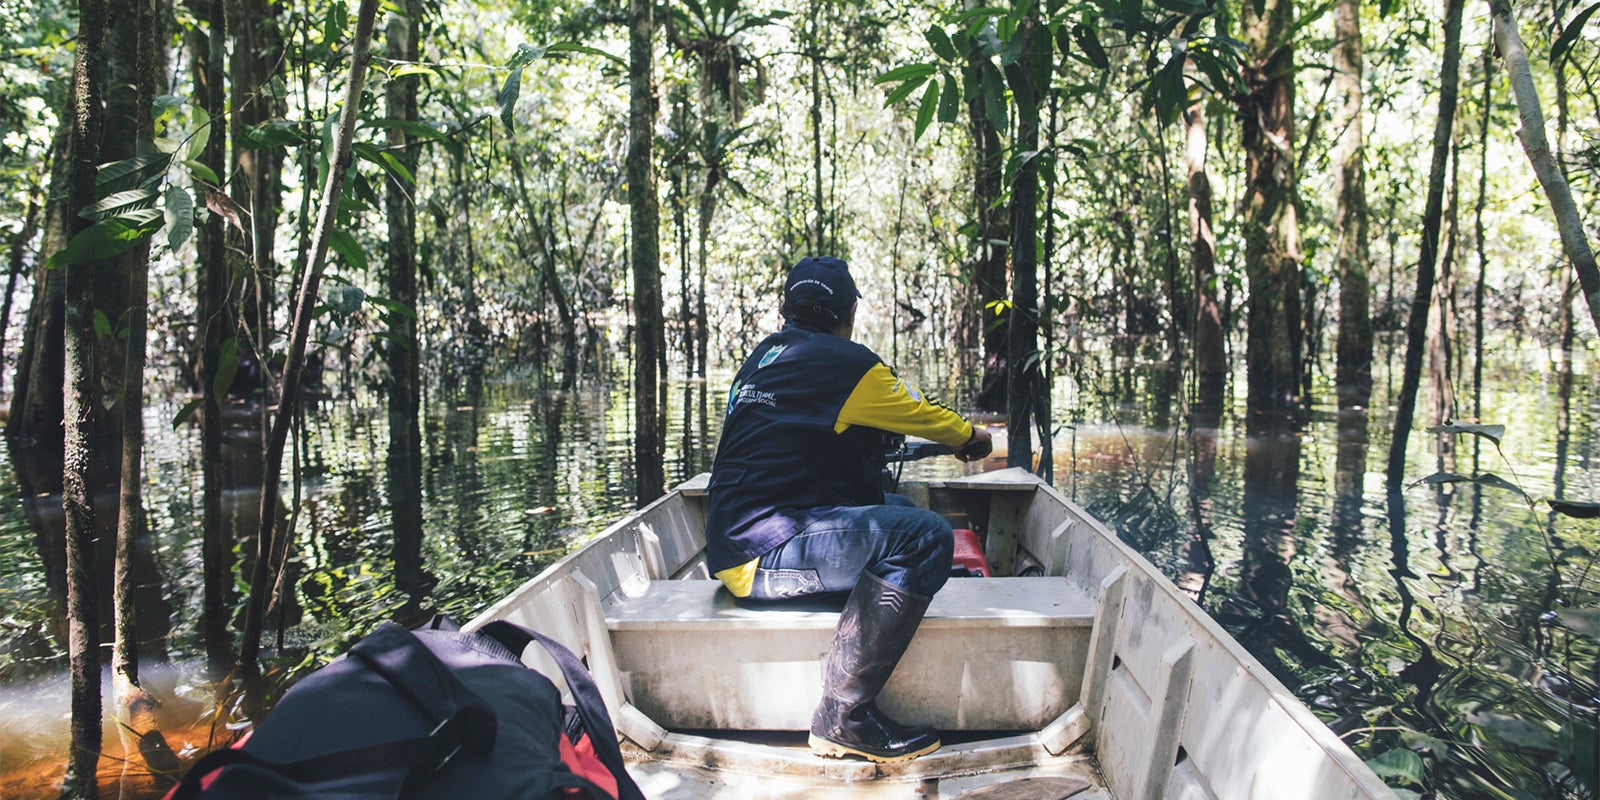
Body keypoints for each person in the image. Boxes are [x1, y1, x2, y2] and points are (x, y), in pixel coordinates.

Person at [704, 255, 993, 763]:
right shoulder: (850, 364)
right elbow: (926, 415)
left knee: (896, 507)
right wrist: (972, 437)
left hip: (732, 544)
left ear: (786, 308)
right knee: (926, 536)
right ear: (850, 311)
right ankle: (843, 716)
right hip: (764, 558)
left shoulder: (762, 358)